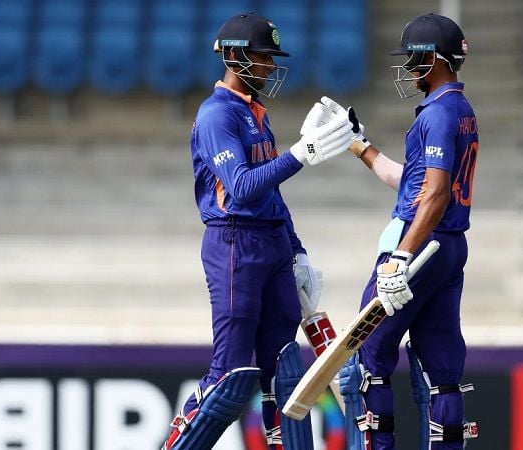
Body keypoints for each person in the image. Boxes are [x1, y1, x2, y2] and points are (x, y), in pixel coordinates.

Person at [161, 13, 358, 450]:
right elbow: (243, 187)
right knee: (231, 376)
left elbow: (271, 193)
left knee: (285, 372)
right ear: (233, 56)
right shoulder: (216, 115)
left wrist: (297, 250)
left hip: (271, 242)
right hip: (235, 243)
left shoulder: (255, 113)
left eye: (271, 57)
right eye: (262, 56)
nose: (269, 65)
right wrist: (301, 153)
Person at [331, 13, 480, 450]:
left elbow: (434, 194)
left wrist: (400, 256)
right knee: (442, 368)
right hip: (449, 246)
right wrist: (360, 145)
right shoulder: (461, 110)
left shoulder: (438, 114)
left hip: (419, 245)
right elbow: (415, 183)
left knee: (366, 360)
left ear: (433, 59)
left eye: (413, 58)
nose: (408, 68)